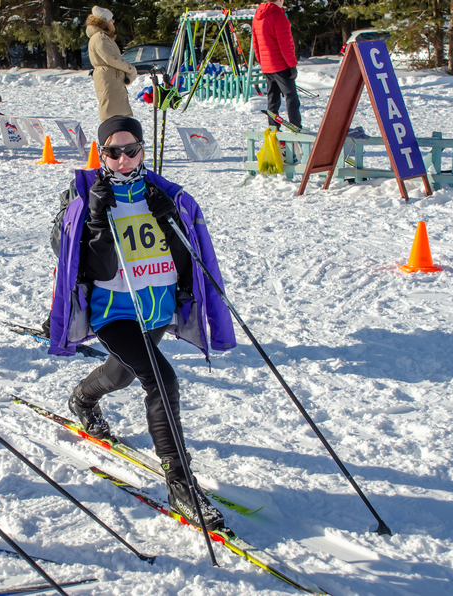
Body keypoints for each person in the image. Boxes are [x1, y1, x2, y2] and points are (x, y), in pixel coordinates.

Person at [48, 115, 237, 531]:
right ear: (102, 154)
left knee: (122, 373)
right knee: (161, 379)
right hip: (115, 312)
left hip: (155, 310)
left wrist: (171, 221)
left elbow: (189, 257)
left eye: (131, 150)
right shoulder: (84, 194)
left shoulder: (162, 193)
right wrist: (96, 220)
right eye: (113, 152)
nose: (123, 160)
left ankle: (83, 398)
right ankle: (180, 484)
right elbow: (71, 254)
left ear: (142, 150)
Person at [253, 0, 301, 131]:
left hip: (267, 65)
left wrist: (262, 62)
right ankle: (295, 125)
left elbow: (255, 43)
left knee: (273, 98)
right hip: (280, 64)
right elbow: (285, 45)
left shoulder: (257, 16)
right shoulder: (279, 16)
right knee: (291, 96)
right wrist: (292, 65)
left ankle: (273, 126)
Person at [86, 6, 138, 122]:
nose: (113, 21)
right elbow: (112, 59)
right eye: (111, 19)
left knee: (119, 117)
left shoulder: (102, 37)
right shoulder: (100, 37)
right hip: (109, 81)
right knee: (113, 118)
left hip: (111, 80)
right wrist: (131, 69)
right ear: (104, 21)